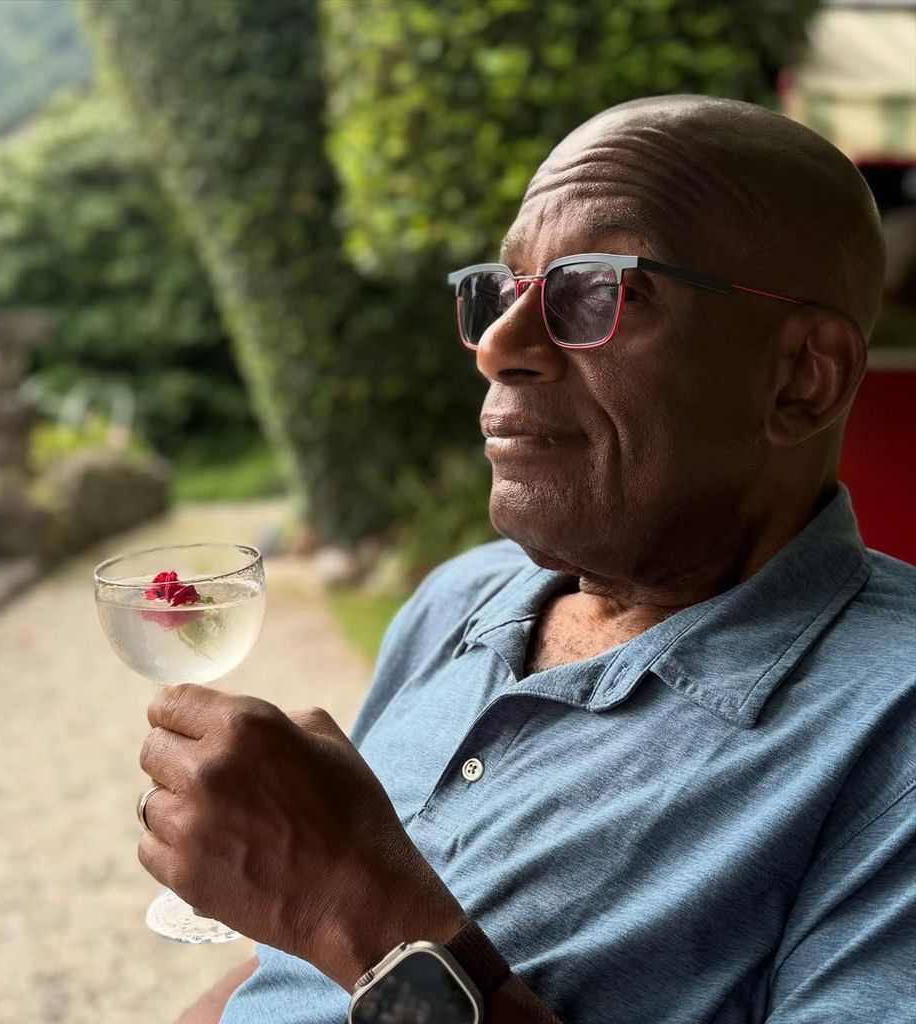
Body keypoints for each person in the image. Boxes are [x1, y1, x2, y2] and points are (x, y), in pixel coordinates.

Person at [136, 95, 916, 1023]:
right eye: (504, 292)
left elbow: (335, 911)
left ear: (803, 378)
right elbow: (298, 965)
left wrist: (359, 911)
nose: (499, 347)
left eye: (599, 291)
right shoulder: (460, 599)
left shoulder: (890, 728)